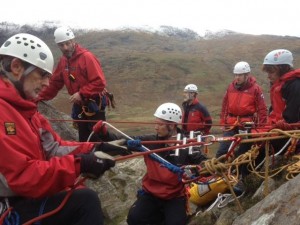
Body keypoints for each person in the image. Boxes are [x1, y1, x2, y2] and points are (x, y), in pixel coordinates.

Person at [0, 33, 118, 225]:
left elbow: (54, 147)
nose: (47, 82)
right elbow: (22, 176)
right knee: (85, 202)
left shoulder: (26, 110)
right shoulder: (5, 111)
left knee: (79, 195)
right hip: (11, 205)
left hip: (24, 196)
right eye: (42, 75)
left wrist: (95, 148)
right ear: (16, 67)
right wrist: (81, 164)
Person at [93, 103, 208, 225]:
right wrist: (104, 134)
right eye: (155, 123)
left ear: (172, 125)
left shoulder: (187, 145)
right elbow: (122, 140)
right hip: (151, 194)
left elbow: (203, 163)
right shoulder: (151, 141)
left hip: (174, 196)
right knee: (134, 219)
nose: (156, 127)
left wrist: (202, 169)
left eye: (160, 124)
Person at [38, 26, 108, 142]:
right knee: (84, 138)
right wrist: (38, 97)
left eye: (67, 43)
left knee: (98, 137)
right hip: (80, 106)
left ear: (73, 41)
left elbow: (99, 82)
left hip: (94, 103)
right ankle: (89, 158)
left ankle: (115, 153)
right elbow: (54, 83)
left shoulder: (87, 57)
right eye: (61, 45)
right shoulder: (63, 61)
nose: (65, 48)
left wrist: (81, 93)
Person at [216, 61, 268, 158]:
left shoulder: (255, 89)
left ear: (247, 75)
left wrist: (261, 128)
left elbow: (262, 110)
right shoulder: (231, 87)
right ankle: (219, 170)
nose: (237, 78)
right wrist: (223, 121)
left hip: (246, 126)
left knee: (244, 152)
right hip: (231, 124)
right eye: (236, 75)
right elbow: (225, 106)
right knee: (222, 151)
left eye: (240, 75)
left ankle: (239, 172)